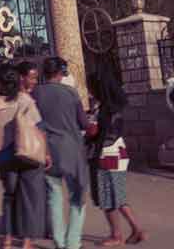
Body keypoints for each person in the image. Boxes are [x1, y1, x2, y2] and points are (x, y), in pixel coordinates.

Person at [0, 61, 44, 248]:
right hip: (25, 154)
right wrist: (46, 153)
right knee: (27, 198)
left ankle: (7, 238)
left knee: (9, 196)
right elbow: (37, 126)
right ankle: (26, 241)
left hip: (3, 157)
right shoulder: (24, 100)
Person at [87, 62, 146, 246]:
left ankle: (118, 235)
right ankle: (135, 229)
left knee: (108, 197)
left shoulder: (104, 110)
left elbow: (98, 133)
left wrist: (89, 131)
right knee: (116, 196)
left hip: (107, 154)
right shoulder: (114, 106)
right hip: (117, 153)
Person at [34, 56, 89, 249]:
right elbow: (83, 123)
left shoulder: (36, 93)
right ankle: (73, 242)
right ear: (60, 74)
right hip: (71, 150)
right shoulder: (71, 93)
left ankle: (59, 241)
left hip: (47, 151)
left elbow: (34, 123)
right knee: (77, 196)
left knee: (54, 196)